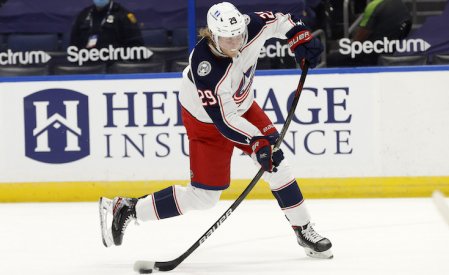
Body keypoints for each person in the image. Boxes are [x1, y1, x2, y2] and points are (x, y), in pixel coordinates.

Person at [99, 2, 332, 259]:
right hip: (207, 122)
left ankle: (304, 229)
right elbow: (224, 119)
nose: (235, 43)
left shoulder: (250, 25)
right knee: (204, 197)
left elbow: (281, 20)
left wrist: (299, 37)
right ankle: (129, 208)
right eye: (227, 39)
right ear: (212, 34)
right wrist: (257, 142)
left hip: (242, 106)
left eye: (238, 36)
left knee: (277, 164)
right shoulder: (205, 65)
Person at [327, 0, 412, 67]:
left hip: (372, 54)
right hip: (393, 51)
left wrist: (348, 46)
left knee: (332, 58)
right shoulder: (402, 6)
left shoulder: (374, 5)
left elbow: (358, 40)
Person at [70, 0, 143, 50]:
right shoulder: (84, 14)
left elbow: (136, 45)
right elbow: (73, 43)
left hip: (115, 65)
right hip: (86, 63)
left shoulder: (123, 15)